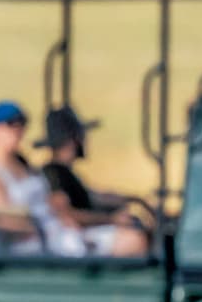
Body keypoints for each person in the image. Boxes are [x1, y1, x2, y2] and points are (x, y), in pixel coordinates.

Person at [0, 101, 88, 253]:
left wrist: (59, 210)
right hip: (30, 243)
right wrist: (44, 227)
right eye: (10, 124)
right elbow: (3, 220)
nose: (18, 130)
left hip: (55, 232)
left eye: (22, 123)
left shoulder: (24, 164)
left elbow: (50, 202)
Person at [39, 106, 152, 258]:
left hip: (87, 231)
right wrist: (112, 220)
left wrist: (132, 199)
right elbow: (67, 216)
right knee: (136, 240)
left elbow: (93, 196)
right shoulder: (53, 174)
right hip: (77, 238)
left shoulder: (66, 172)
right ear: (73, 140)